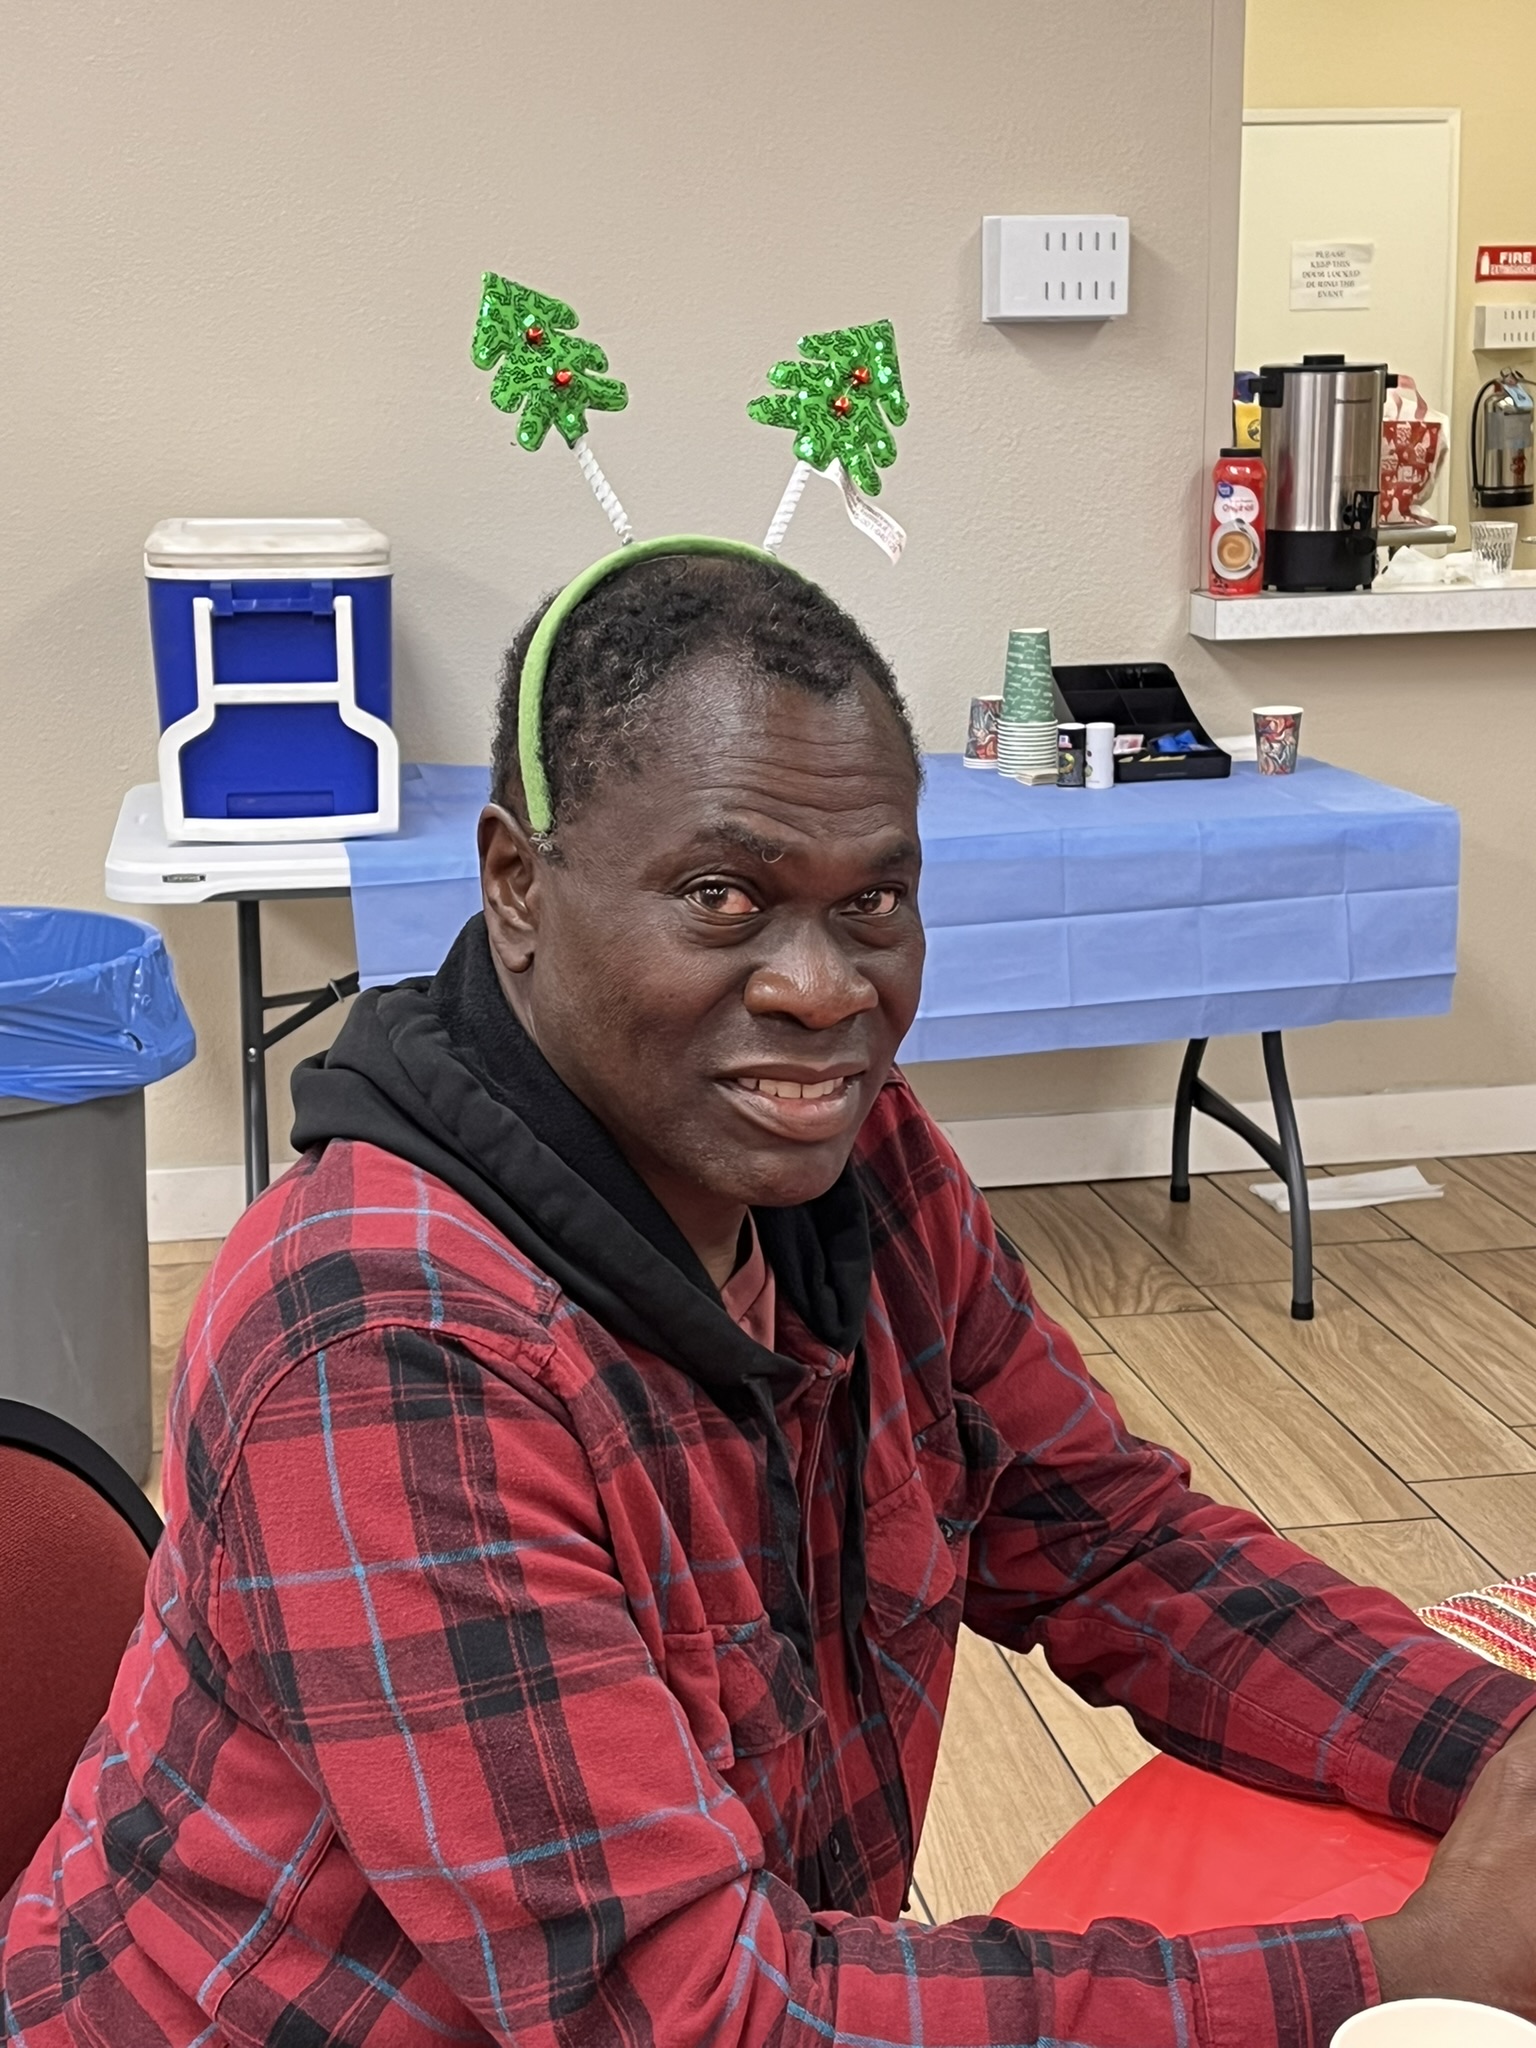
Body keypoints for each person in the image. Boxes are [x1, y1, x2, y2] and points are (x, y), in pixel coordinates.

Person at [5, 539, 1536, 2048]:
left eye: (874, 903)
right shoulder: (381, 1341)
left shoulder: (858, 1162)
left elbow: (1114, 1545)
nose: (824, 990)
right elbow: (695, 2012)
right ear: (517, 884)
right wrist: (1399, 1973)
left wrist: (1505, 1749)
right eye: (723, 896)